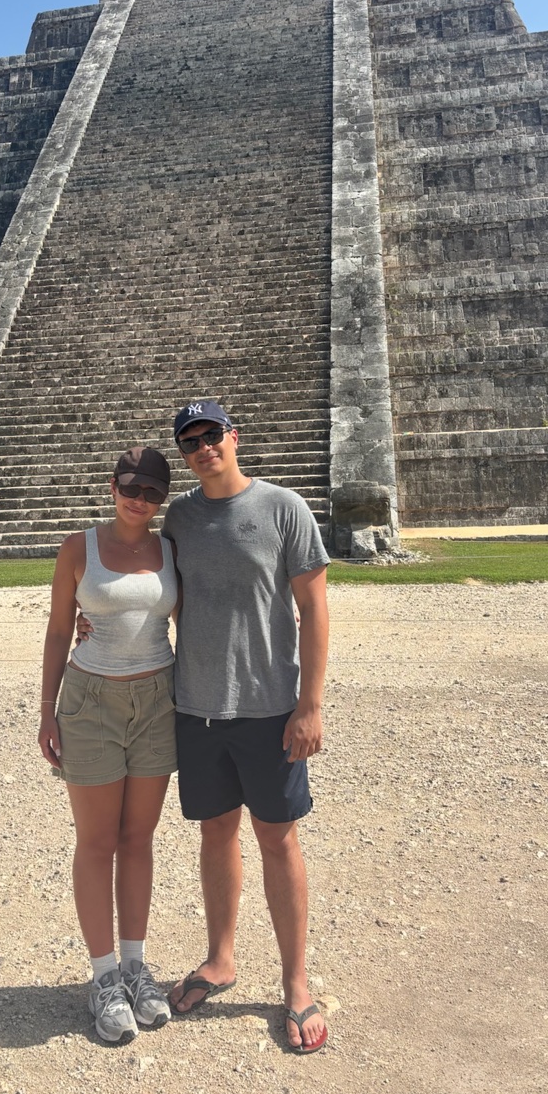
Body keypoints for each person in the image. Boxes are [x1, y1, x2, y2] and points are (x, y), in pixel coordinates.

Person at [162, 399, 331, 1054]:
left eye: (212, 434)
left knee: (277, 839)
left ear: (235, 437)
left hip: (268, 707)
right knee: (215, 833)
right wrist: (92, 618)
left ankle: (296, 981)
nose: (203, 447)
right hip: (198, 705)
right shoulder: (179, 518)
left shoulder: (283, 508)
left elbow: (315, 609)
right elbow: (157, 593)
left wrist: (309, 703)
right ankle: (220, 959)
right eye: (190, 441)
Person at [38, 447, 179, 1045]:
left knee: (138, 838)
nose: (139, 500)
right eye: (130, 487)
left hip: (158, 701)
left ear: (162, 499)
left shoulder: (171, 549)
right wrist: (46, 710)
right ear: (112, 486)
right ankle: (103, 976)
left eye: (151, 492)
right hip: (91, 702)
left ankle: (135, 967)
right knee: (97, 842)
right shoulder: (79, 548)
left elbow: (196, 618)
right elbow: (58, 629)